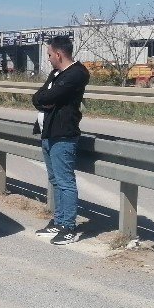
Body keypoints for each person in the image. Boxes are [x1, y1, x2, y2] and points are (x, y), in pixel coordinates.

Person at [31, 35, 89, 245]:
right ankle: (59, 221)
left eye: (49, 55)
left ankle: (69, 227)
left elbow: (47, 97)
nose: (48, 59)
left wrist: (46, 99)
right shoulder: (57, 73)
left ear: (58, 54)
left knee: (65, 182)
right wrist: (45, 99)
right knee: (55, 180)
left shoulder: (77, 73)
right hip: (48, 132)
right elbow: (38, 97)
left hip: (63, 134)